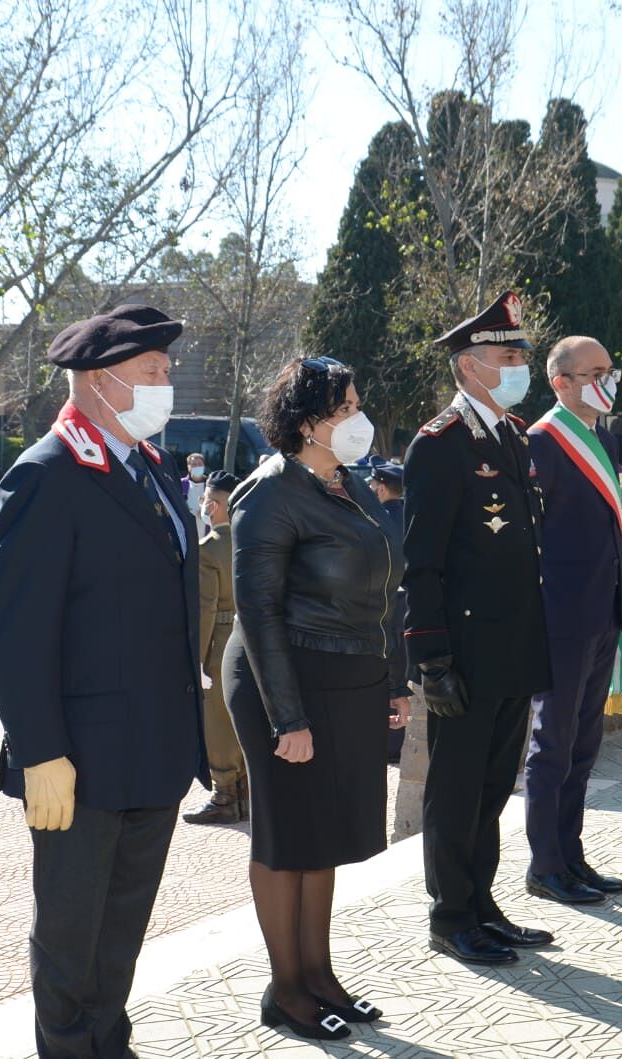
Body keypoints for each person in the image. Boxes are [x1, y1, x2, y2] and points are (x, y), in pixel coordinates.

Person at [0, 303, 206, 1059]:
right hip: (80, 760)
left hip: (156, 747)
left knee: (123, 927)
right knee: (72, 936)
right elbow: (13, 632)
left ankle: (111, 1041)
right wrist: (39, 749)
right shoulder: (47, 474)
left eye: (165, 371)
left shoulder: (148, 466)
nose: (165, 384)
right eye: (152, 372)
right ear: (100, 381)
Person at [226, 356, 408, 1041]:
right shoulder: (267, 495)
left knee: (324, 834)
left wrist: (393, 681)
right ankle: (286, 988)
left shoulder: (350, 484)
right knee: (287, 836)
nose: (360, 418)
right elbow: (259, 612)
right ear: (308, 423)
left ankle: (319, 974)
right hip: (287, 679)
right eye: (347, 407)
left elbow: (386, 586)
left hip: (350, 678)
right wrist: (288, 717)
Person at [403, 290, 553, 967]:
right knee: (456, 790)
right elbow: (423, 562)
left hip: (513, 644)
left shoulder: (513, 435)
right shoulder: (440, 444)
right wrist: (431, 659)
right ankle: (450, 913)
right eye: (506, 354)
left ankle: (482, 902)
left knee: (493, 788)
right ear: (468, 367)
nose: (519, 362)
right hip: (464, 653)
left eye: (520, 351)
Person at [522, 336, 622, 904]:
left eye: (609, 370)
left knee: (585, 742)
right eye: (595, 371)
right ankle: (544, 864)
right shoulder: (541, 443)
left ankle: (572, 854)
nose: (606, 380)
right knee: (553, 742)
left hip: (602, 611)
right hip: (560, 617)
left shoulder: (605, 441)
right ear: (561, 382)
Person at [183, 470, 247, 826]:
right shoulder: (253, 540)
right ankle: (246, 793)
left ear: (218, 504)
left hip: (221, 642)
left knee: (217, 722)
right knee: (244, 719)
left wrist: (195, 658)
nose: (205, 505)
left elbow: (205, 609)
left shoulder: (209, 549)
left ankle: (225, 795)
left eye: (208, 499)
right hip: (253, 639)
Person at [369, 461, 409, 761]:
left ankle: (385, 740)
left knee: (385, 663)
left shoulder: (375, 518)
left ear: (381, 488)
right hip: (409, 603)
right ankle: (398, 739)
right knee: (403, 665)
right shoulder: (413, 514)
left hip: (384, 601)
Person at [181, 452, 207, 525]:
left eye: (200, 464)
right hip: (187, 524)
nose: (197, 467)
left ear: (204, 466)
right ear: (188, 467)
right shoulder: (181, 484)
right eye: (194, 465)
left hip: (205, 526)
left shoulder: (210, 485)